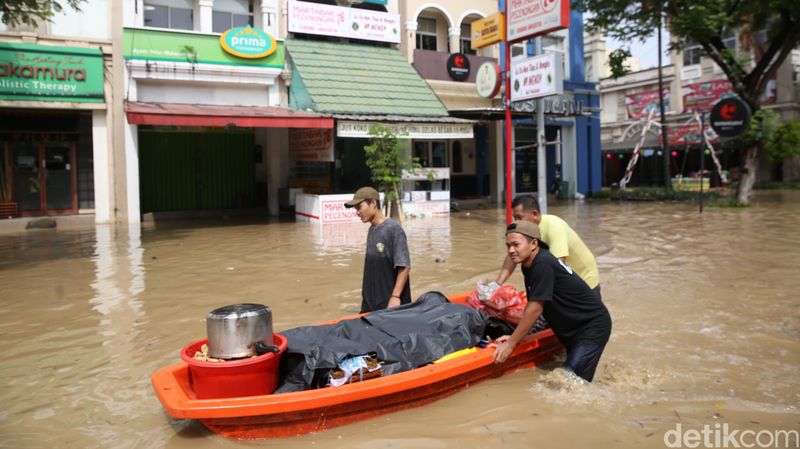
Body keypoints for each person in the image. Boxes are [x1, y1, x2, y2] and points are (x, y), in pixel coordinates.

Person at [493, 221, 611, 382]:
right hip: (572, 330)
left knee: (567, 384)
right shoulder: (528, 264)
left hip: (590, 328)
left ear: (534, 243)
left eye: (516, 244)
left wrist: (511, 343)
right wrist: (516, 336)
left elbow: (535, 308)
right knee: (575, 382)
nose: (511, 250)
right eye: (508, 246)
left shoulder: (542, 263)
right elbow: (536, 304)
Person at [496, 195, 601, 296]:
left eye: (519, 217)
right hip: (563, 280)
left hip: (585, 281)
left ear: (534, 214)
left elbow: (558, 264)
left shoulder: (554, 226)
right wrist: (496, 285)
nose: (517, 222)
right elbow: (512, 255)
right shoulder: (525, 230)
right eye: (515, 218)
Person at [344, 186, 411, 313]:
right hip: (370, 302)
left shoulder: (394, 230)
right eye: (355, 209)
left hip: (389, 303)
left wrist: (395, 297)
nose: (357, 212)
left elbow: (404, 265)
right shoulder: (372, 229)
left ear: (373, 203)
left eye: (359, 207)